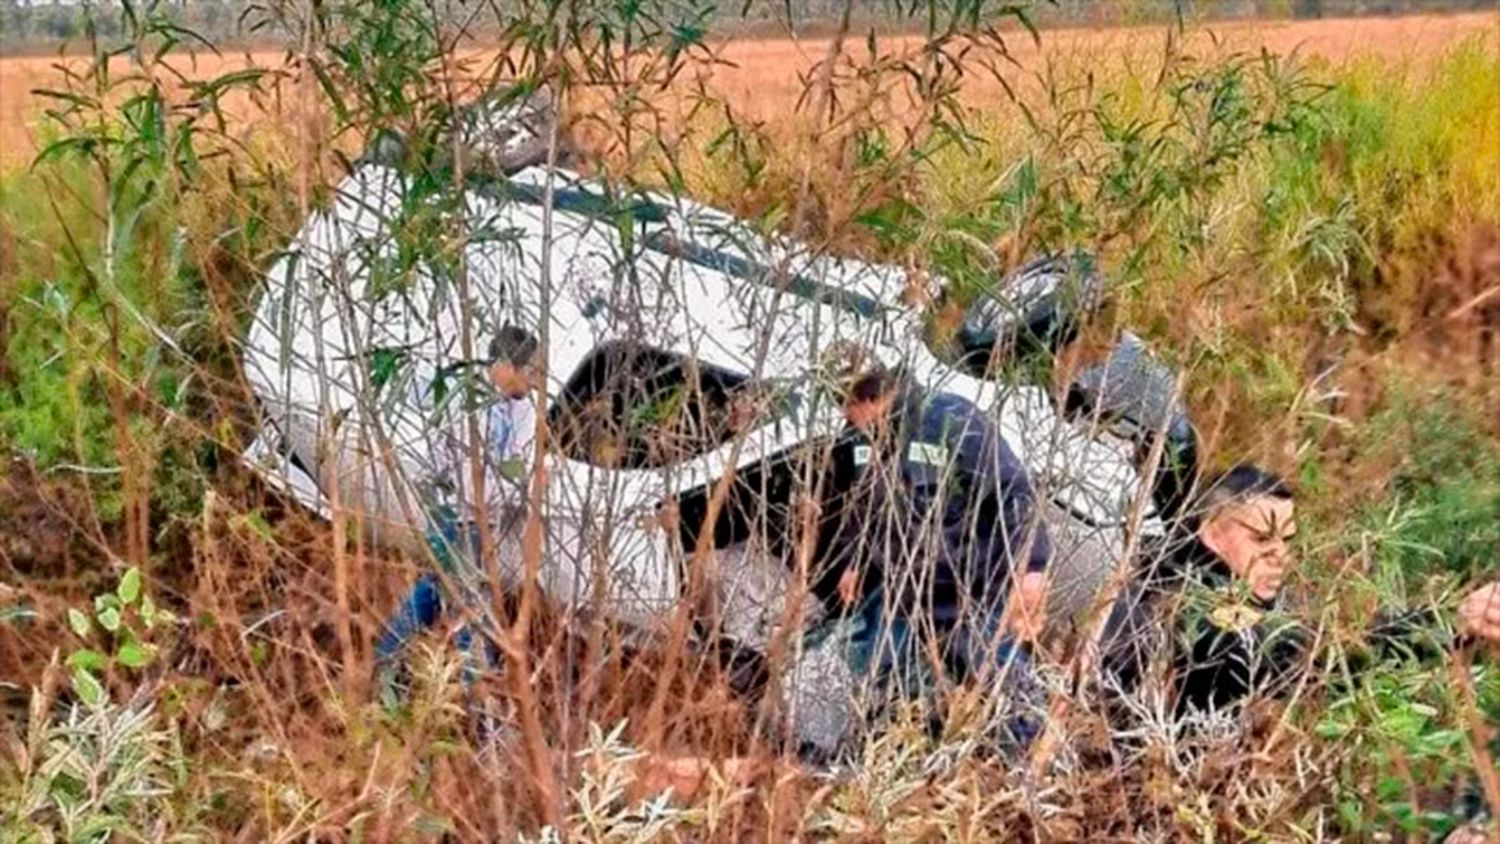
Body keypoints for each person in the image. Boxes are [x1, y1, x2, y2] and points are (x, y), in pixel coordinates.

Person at [779, 365, 1055, 761]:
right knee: (866, 668)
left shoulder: (952, 418)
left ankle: (1028, 760)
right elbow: (864, 506)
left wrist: (1032, 568)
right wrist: (855, 560)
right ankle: (852, 760)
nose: (844, 418)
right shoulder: (862, 438)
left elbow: (1013, 492)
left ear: (869, 398)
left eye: (846, 407)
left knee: (998, 678)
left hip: (966, 591)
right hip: (901, 594)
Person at [1099, 464, 1500, 717]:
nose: (1281, 557)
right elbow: (1292, 655)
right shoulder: (1189, 598)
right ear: (1211, 531)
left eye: (1287, 541)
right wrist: (1445, 621)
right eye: (1261, 540)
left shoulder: (1207, 588)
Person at [374, 325, 541, 687]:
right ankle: (476, 693)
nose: (534, 380)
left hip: (480, 520)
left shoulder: (518, 407)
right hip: (459, 517)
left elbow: (518, 459)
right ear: (505, 367)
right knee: (469, 607)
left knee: (435, 593)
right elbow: (469, 480)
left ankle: (385, 665)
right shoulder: (466, 405)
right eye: (529, 370)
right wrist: (515, 491)